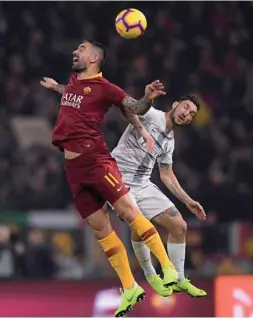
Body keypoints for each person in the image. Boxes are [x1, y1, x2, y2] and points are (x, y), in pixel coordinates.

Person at [40, 40, 178, 317]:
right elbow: (70, 94)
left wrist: (148, 97)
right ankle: (129, 287)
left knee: (129, 212)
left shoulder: (106, 88)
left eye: (80, 48)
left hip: (96, 160)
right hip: (74, 169)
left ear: (93, 57)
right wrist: (56, 87)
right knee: (101, 231)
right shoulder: (74, 84)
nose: (74, 52)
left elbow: (134, 108)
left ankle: (169, 268)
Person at [110, 95, 207, 297]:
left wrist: (188, 201)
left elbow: (166, 174)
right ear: (174, 103)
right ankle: (151, 275)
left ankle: (179, 279)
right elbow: (128, 108)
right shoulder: (151, 115)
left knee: (179, 226)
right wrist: (146, 98)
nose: (186, 114)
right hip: (118, 179)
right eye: (185, 107)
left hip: (143, 184)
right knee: (141, 225)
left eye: (191, 114)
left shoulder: (169, 142)